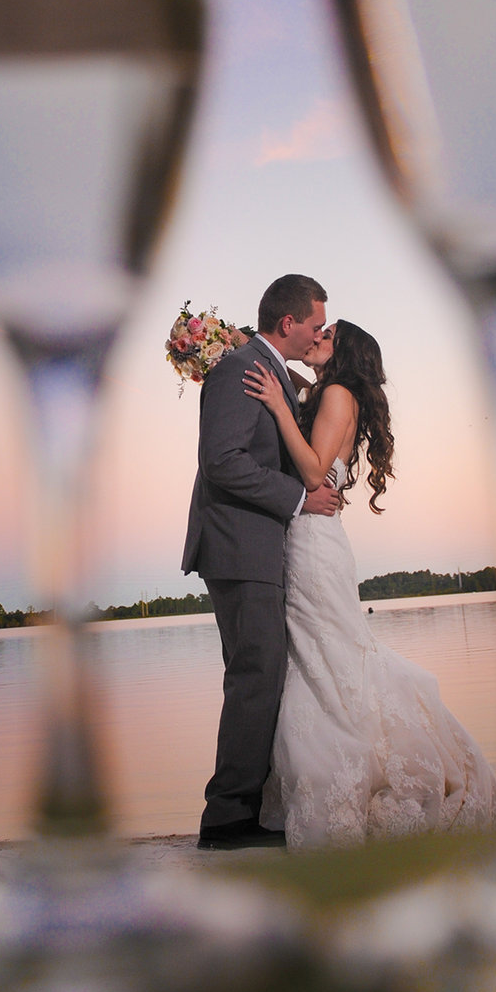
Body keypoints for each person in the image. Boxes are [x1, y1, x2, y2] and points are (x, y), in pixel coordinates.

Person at [244, 319, 496, 849]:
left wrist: (277, 406)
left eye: (328, 335)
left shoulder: (338, 394)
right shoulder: (329, 392)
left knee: (331, 657)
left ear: (345, 354)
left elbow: (316, 473)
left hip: (314, 542)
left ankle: (353, 774)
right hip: (314, 537)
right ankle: (348, 763)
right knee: (329, 656)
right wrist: (253, 354)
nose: (316, 338)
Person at [182, 274, 341, 849]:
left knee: (262, 676)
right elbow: (221, 461)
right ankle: (227, 820)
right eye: (315, 325)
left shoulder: (270, 369)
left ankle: (247, 808)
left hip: (257, 546)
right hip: (238, 545)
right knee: (255, 677)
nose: (319, 333)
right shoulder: (236, 370)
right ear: (287, 323)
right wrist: (299, 497)